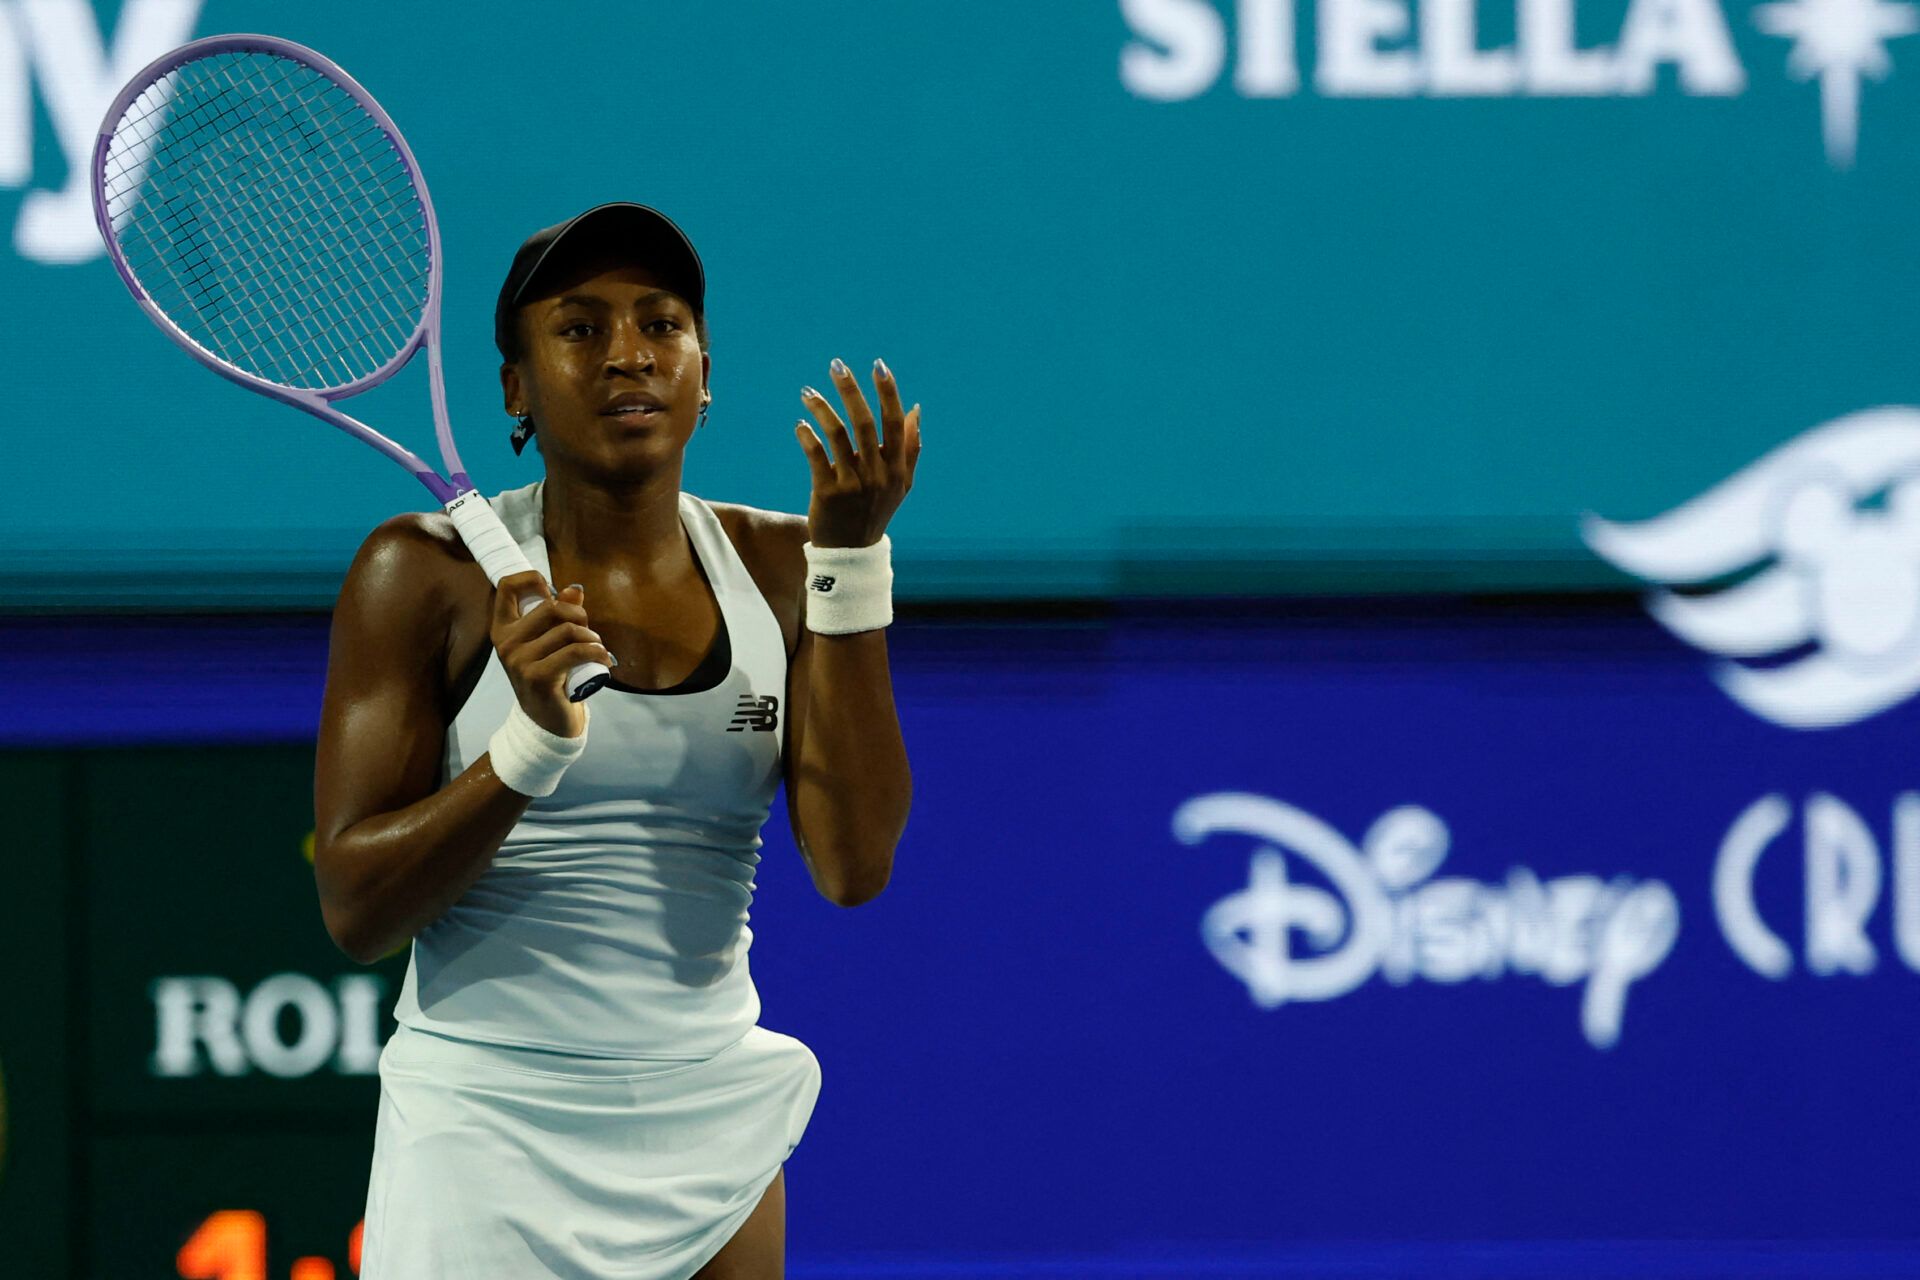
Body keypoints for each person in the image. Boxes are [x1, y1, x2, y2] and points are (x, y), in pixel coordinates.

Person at [311, 202, 920, 1279]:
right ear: (515, 389)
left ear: (704, 368)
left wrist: (853, 561)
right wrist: (529, 750)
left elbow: (854, 862)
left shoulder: (786, 565)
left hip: (709, 1115)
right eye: (582, 327)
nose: (630, 353)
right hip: (485, 1123)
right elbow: (358, 910)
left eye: (663, 321)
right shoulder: (423, 573)